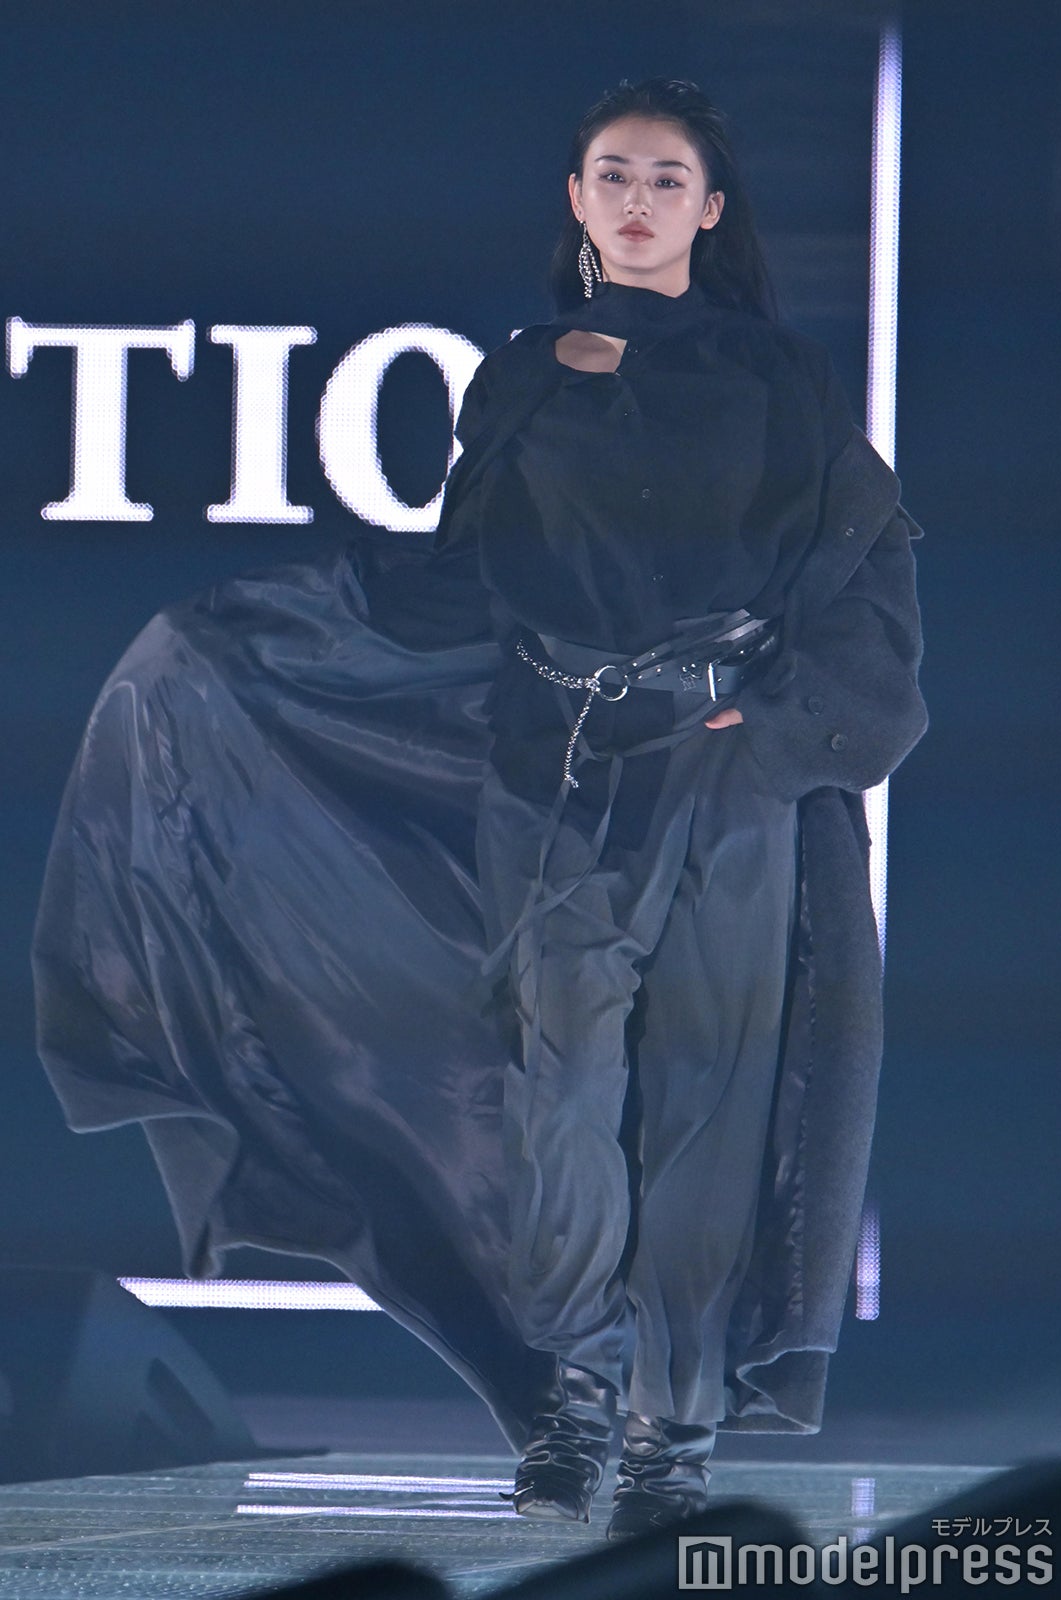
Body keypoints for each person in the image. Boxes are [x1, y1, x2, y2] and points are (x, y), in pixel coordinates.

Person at [33, 78, 927, 1541]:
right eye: (611, 174)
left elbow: (864, 582)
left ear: (710, 209)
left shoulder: (782, 382)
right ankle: (575, 1400)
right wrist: (247, 644)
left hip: (719, 774)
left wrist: (766, 731)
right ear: (576, 200)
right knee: (560, 1096)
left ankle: (672, 1433)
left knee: (703, 1107)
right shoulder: (515, 377)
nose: (636, 199)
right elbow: (468, 580)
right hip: (557, 768)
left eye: (666, 178)